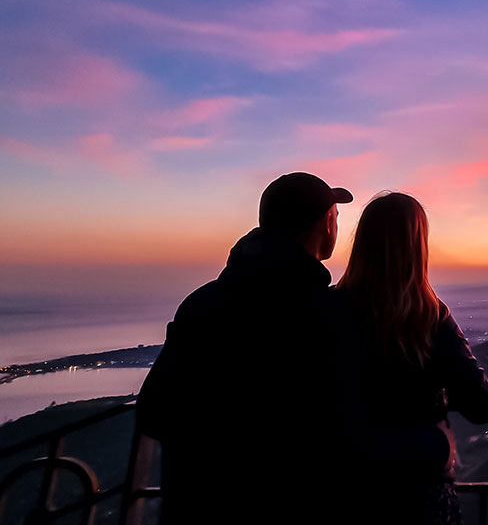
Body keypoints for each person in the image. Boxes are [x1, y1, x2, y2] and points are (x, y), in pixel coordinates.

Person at [136, 173, 450, 524]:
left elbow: (153, 413)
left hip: (196, 507)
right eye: (334, 215)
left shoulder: (199, 305)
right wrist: (436, 448)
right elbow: (349, 439)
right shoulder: (332, 316)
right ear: (325, 225)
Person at [334, 192, 488, 525]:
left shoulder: (328, 310)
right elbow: (481, 405)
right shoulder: (431, 318)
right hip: (419, 494)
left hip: (347, 490)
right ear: (418, 246)